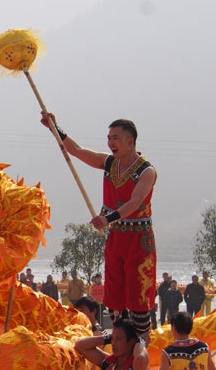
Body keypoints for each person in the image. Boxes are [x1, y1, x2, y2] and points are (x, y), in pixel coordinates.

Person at [42, 115, 156, 341]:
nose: (110, 143)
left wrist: (108, 218)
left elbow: (135, 202)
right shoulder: (109, 163)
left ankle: (142, 349)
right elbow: (76, 150)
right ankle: (121, 345)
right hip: (116, 238)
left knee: (139, 298)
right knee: (114, 298)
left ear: (130, 141)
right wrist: (55, 128)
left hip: (139, 240)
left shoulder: (146, 171)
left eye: (116, 138)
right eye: (109, 138)